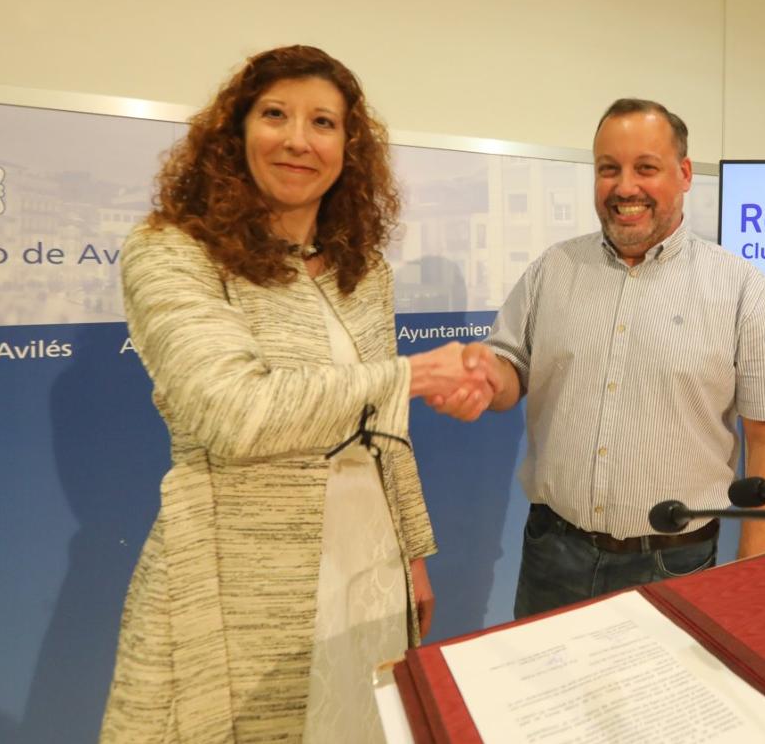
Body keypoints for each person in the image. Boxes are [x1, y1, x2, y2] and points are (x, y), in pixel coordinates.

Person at [101, 45, 490, 743]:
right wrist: (413, 375)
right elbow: (233, 413)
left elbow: (383, 431)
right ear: (236, 132)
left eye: (323, 123)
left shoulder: (360, 268)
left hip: (367, 552)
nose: (298, 140)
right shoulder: (171, 251)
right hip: (236, 567)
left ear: (348, 146)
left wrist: (412, 557)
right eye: (275, 114)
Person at [432, 98, 765, 618]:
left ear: (683, 175)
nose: (625, 187)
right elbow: (510, 366)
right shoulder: (553, 270)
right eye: (609, 169)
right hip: (551, 555)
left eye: (645, 168)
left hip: (673, 564)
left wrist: (748, 584)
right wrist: (483, 378)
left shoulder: (745, 291)